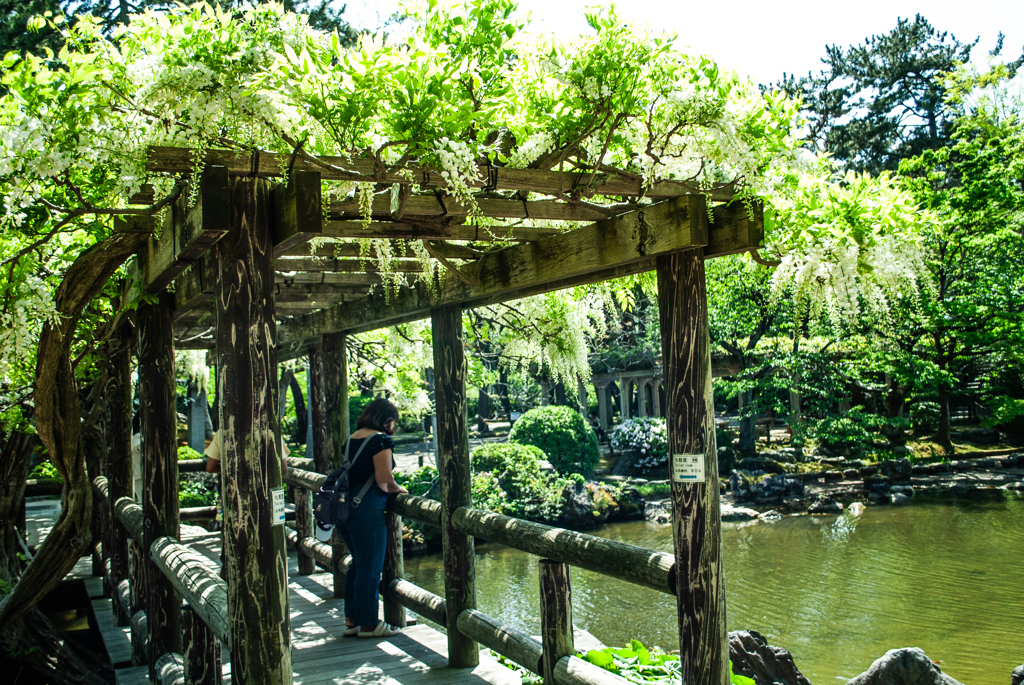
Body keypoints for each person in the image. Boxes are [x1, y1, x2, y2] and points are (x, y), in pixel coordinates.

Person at [332, 397, 407, 638]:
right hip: (366, 508)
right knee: (371, 567)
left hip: (343, 506)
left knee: (358, 562)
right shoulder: (380, 440)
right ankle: (369, 624)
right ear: (386, 419)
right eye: (393, 421)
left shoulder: (352, 438)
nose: (393, 427)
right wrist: (402, 490)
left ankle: (351, 619)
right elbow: (385, 480)